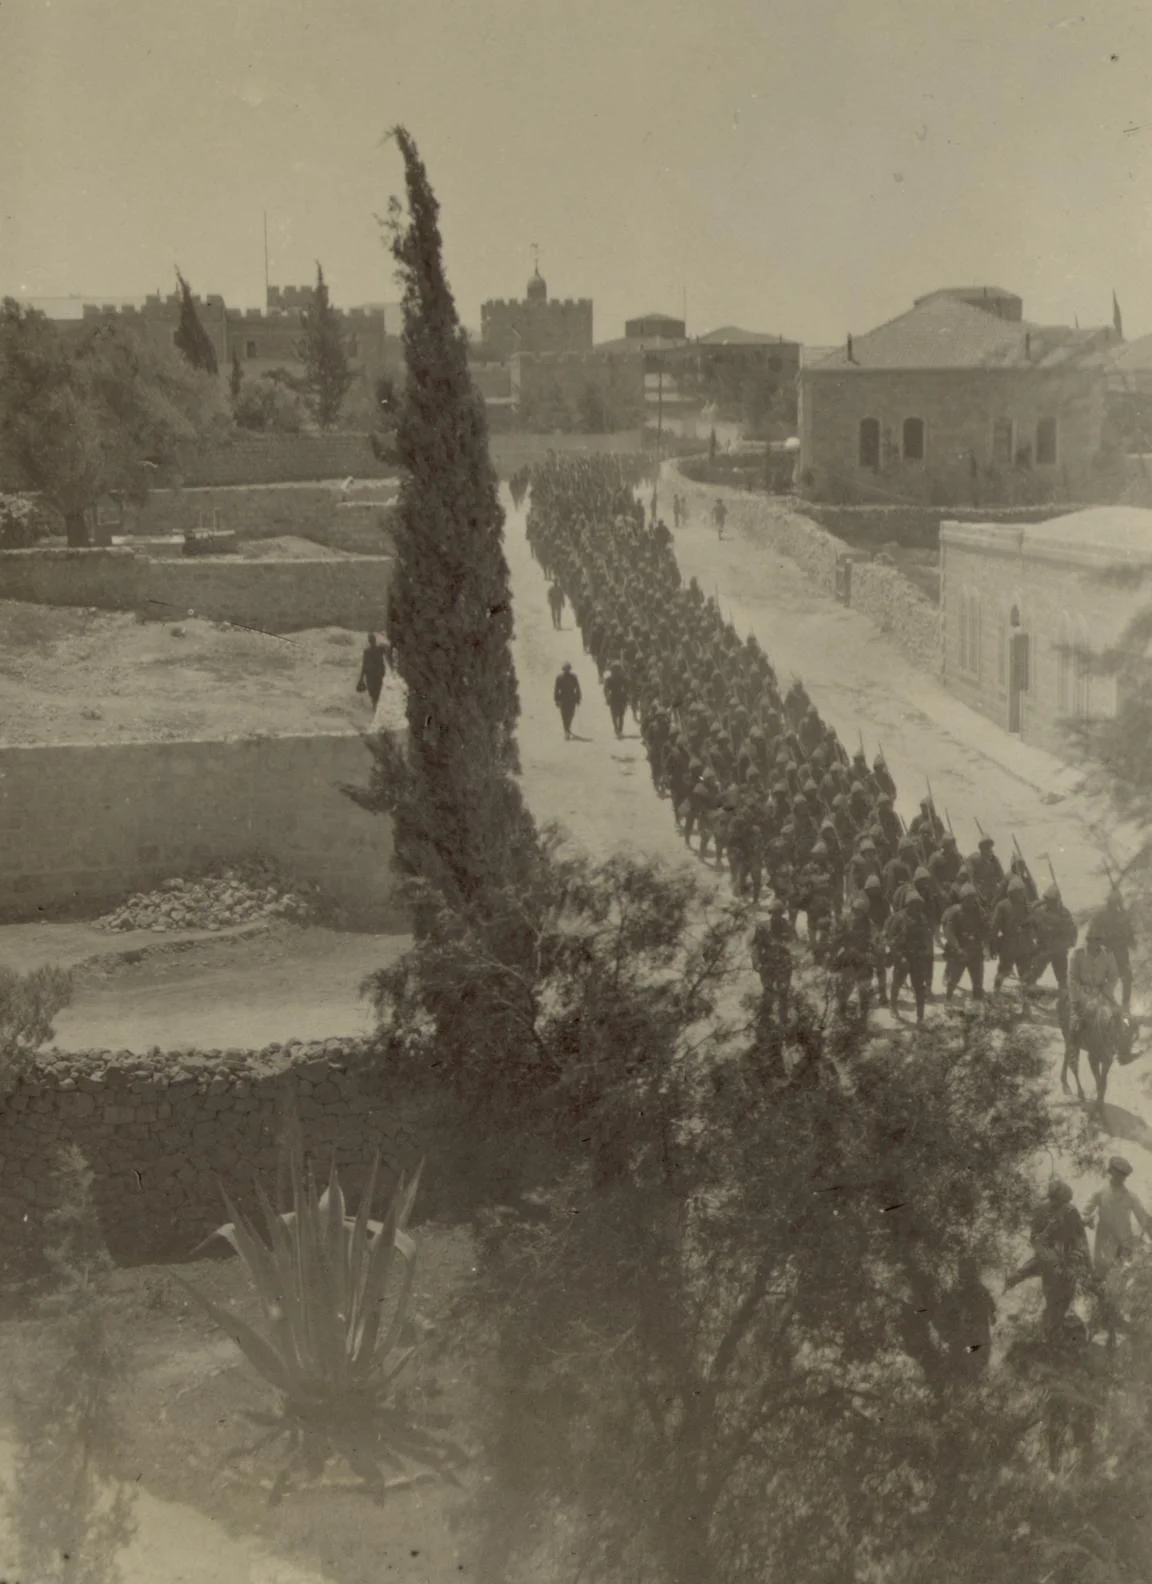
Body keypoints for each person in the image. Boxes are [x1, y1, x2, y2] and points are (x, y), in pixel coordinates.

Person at [1004, 1180, 1092, 1335]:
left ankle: (1054, 1331)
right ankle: (1051, 1332)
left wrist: (1085, 1263)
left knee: (1062, 1299)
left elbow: (1080, 1239)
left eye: (1059, 1201)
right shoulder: (1042, 1211)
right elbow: (1035, 1240)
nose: (1056, 1204)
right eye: (1055, 1199)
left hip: (1065, 1261)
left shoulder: (1069, 1211)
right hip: (1051, 1261)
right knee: (1054, 1299)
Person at [1027, 884, 1078, 992]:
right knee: (1035, 970)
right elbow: (1031, 925)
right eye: (1048, 900)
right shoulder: (1039, 911)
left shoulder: (1064, 913)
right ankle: (1029, 988)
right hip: (1044, 947)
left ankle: (1063, 993)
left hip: (1059, 949)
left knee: (1061, 976)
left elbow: (1072, 930)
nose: (1049, 903)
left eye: (1052, 901)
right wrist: (1033, 938)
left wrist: (1069, 943)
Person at [941, 884, 986, 1002]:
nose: (971, 901)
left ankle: (978, 1004)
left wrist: (982, 939)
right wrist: (957, 947)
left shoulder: (979, 911)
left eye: (972, 898)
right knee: (954, 979)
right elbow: (948, 932)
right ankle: (948, 999)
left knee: (978, 980)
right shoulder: (955, 911)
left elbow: (986, 927)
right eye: (968, 898)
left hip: (975, 950)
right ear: (962, 899)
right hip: (960, 949)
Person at [1093, 888, 1135, 1011]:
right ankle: (1105, 1003)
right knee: (1106, 978)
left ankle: (1124, 1004)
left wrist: (1130, 939)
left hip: (1121, 951)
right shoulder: (1103, 916)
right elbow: (1095, 935)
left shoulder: (1123, 916)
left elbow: (1130, 933)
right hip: (1108, 951)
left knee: (1126, 977)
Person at [356, 633, 387, 711]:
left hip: (371, 674)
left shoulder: (368, 651)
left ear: (369, 641)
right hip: (376, 674)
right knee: (377, 691)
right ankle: (376, 708)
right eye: (372, 640)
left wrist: (361, 677)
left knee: (373, 692)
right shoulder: (379, 649)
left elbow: (364, 664)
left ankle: (375, 707)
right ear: (374, 640)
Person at [553, 662, 582, 740]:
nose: (567, 670)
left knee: (571, 714)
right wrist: (556, 700)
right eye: (565, 669)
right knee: (564, 715)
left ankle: (568, 728)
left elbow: (577, 688)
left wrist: (578, 698)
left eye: (568, 669)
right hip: (563, 698)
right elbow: (556, 689)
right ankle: (566, 730)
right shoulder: (559, 678)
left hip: (572, 698)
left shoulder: (574, 677)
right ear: (563, 669)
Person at [604, 664, 630, 738]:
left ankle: (620, 729)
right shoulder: (609, 679)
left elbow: (627, 688)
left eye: (617, 671)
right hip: (613, 699)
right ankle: (616, 728)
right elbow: (606, 689)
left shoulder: (623, 679)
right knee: (614, 715)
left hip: (622, 698)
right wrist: (607, 696)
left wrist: (626, 694)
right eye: (614, 671)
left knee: (621, 715)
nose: (616, 672)